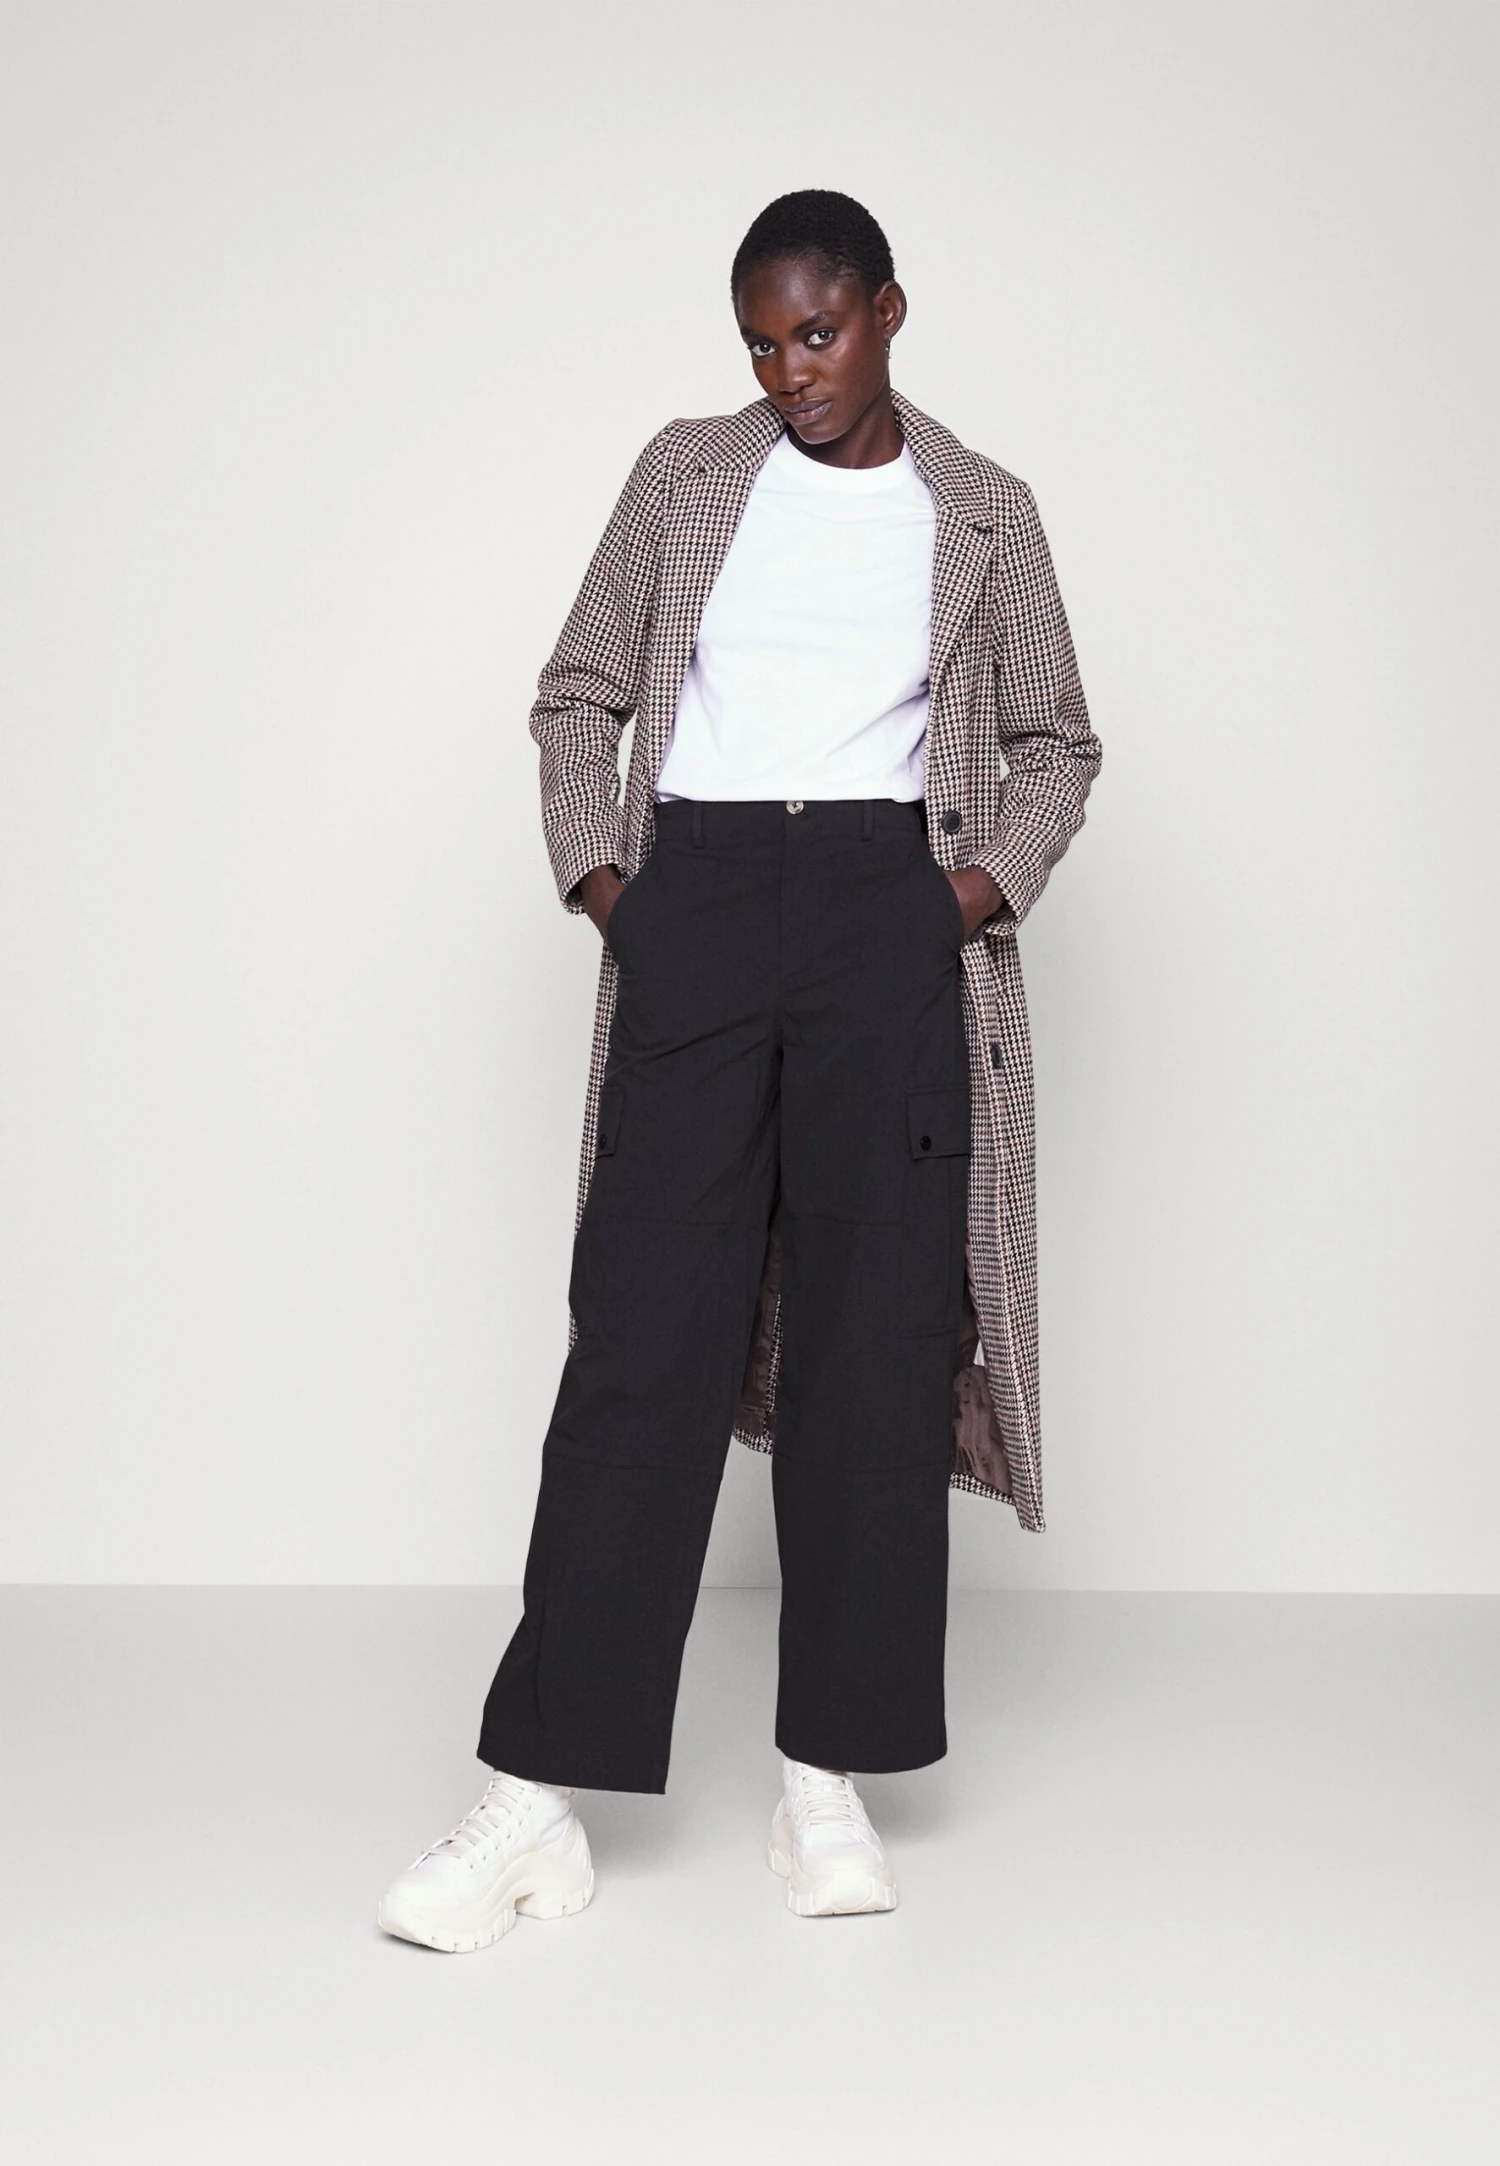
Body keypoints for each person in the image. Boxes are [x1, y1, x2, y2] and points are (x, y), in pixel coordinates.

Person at [378, 188, 1101, 1951]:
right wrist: (614, 891)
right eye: (764, 344)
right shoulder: (687, 474)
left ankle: (823, 1777)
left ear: (889, 311)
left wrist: (955, 900)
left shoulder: (984, 511)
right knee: (642, 1336)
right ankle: (534, 1799)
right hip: (698, 895)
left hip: (884, 911)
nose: (791, 372)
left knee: (875, 1345)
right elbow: (578, 691)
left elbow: (1056, 740)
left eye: (819, 333)